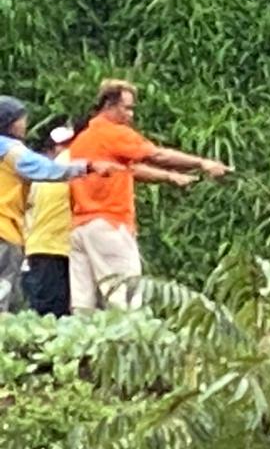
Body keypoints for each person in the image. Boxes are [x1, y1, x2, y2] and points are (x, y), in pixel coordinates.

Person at [69, 79, 229, 312]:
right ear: (110, 105)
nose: (131, 115)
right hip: (109, 223)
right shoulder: (114, 133)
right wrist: (202, 163)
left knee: (83, 302)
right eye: (127, 108)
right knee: (125, 295)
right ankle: (130, 344)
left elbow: (129, 169)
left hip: (81, 227)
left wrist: (169, 177)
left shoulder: (84, 139)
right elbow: (157, 155)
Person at [0, 97, 118, 313]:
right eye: (20, 119)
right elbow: (45, 169)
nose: (24, 124)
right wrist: (87, 167)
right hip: (4, 229)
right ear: (8, 122)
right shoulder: (11, 151)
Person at [22, 118, 78, 316]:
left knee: (46, 312)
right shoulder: (73, 165)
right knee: (53, 312)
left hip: (40, 247)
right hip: (54, 248)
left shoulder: (46, 172)